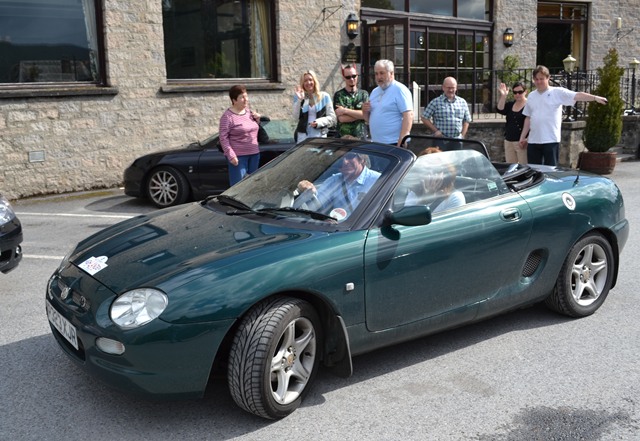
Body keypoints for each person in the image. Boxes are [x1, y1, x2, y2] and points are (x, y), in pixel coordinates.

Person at [519, 65, 608, 165]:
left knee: (551, 172)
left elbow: (577, 95)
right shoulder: (531, 95)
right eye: (536, 79)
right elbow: (528, 117)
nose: (539, 82)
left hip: (550, 140)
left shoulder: (557, 92)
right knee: (534, 171)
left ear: (548, 78)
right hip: (533, 140)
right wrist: (523, 137)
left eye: (541, 79)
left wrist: (595, 98)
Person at [296, 152, 380, 221]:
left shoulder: (378, 180)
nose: (345, 162)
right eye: (340, 158)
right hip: (338, 230)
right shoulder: (334, 180)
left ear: (362, 159)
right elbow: (317, 204)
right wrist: (307, 191)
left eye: (349, 156)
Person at [362, 59, 413, 146]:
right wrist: (364, 111)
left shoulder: (400, 89)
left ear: (391, 73)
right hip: (376, 142)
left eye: (382, 73)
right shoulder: (374, 92)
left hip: (394, 142)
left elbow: (408, 115)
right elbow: (368, 119)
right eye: (376, 74)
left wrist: (402, 139)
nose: (378, 77)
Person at [218, 84, 261, 186]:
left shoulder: (249, 113)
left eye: (246, 96)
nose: (246, 99)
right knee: (238, 187)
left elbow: (252, 130)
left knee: (252, 185)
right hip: (239, 157)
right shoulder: (227, 117)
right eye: (242, 97)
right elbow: (223, 138)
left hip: (254, 154)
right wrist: (231, 155)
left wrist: (258, 120)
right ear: (234, 100)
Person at [420, 76, 472, 151]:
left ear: (456, 88)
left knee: (456, 162)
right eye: (448, 87)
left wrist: (462, 136)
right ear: (443, 87)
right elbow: (424, 117)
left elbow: (467, 120)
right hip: (441, 141)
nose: (451, 90)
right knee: (441, 162)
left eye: (453, 87)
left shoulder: (462, 102)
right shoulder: (436, 102)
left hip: (457, 141)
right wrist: (435, 131)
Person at [293, 70, 337, 143]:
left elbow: (332, 118)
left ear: (314, 81)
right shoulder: (299, 97)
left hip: (319, 135)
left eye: (310, 80)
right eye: (305, 81)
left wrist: (318, 122)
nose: (308, 83)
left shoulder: (324, 96)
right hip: (303, 136)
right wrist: (299, 100)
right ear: (302, 83)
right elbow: (295, 117)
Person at [333, 64, 369, 139]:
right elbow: (342, 118)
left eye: (353, 76)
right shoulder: (339, 95)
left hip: (361, 138)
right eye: (348, 77)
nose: (351, 79)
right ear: (344, 78)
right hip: (343, 139)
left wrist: (345, 110)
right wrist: (360, 115)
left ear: (357, 76)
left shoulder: (364, 94)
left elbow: (367, 116)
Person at [496, 81, 529, 164]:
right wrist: (503, 96)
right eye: (515, 92)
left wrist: (526, 139)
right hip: (509, 140)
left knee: (523, 166)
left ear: (525, 92)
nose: (517, 94)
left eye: (520, 92)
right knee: (510, 167)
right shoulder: (511, 105)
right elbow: (500, 109)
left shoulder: (529, 105)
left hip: (522, 142)